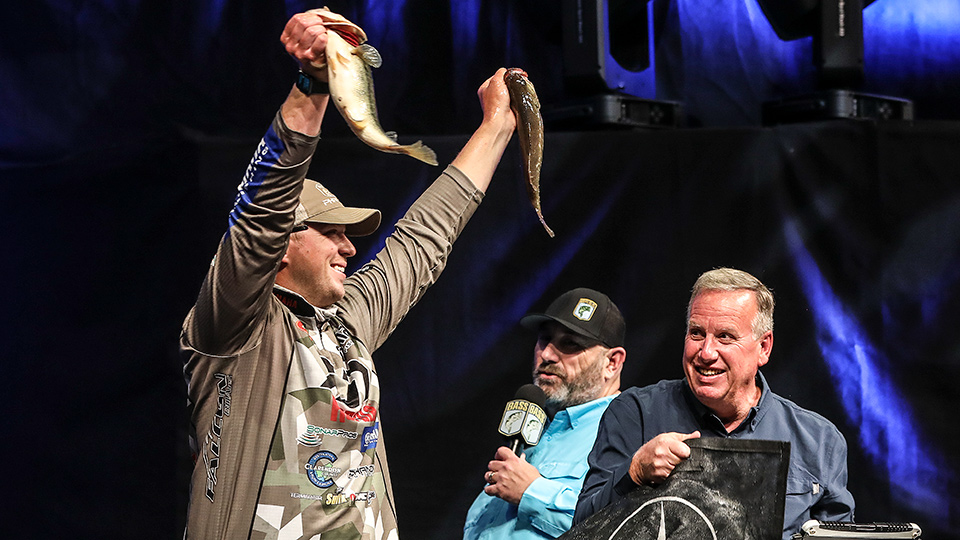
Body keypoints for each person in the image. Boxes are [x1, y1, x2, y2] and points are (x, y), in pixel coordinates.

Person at [179, 10, 519, 540]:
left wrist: (496, 127)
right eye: (330, 232)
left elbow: (424, 238)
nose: (348, 247)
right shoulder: (236, 328)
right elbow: (260, 212)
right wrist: (314, 86)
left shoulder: (345, 320)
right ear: (281, 246)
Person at [573, 268, 855, 540]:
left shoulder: (819, 440)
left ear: (763, 347)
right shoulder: (635, 413)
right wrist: (635, 473)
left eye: (725, 337)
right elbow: (582, 529)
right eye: (697, 333)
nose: (706, 352)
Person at [463, 288, 628, 539]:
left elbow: (621, 526)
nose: (547, 355)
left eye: (570, 343)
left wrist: (532, 492)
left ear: (612, 363)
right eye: (544, 339)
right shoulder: (532, 430)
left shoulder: (627, 431)